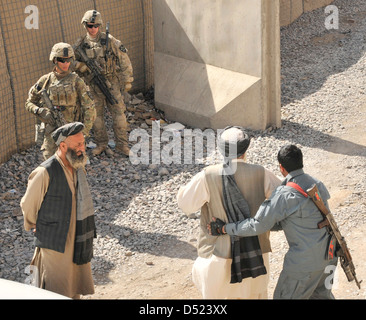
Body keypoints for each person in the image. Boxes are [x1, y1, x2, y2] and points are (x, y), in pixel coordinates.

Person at [208, 144, 338, 299]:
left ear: (281, 168)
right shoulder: (316, 184)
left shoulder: (284, 194)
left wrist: (224, 228)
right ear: (300, 162)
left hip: (303, 265)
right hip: (329, 256)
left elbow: (257, 225)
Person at [177, 126, 281, 299]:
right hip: (256, 257)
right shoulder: (262, 173)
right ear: (245, 149)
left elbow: (186, 205)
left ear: (220, 149)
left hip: (218, 255)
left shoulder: (207, 175)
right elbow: (284, 200)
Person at [20, 122, 96, 299]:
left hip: (77, 233)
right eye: (78, 145)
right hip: (55, 240)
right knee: (57, 285)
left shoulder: (76, 166)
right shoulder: (44, 172)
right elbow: (28, 204)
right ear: (63, 146)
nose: (82, 148)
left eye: (83, 143)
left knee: (74, 282)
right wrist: (34, 224)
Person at [73, 10, 134, 157]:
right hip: (92, 85)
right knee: (96, 117)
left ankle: (122, 145)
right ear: (85, 25)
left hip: (111, 83)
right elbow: (68, 61)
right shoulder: (80, 44)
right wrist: (79, 66)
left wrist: (128, 80)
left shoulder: (110, 41)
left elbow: (124, 59)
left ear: (99, 26)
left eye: (95, 26)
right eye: (89, 25)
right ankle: (101, 144)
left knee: (119, 114)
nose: (92, 29)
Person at [25, 42, 96, 160]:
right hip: (51, 134)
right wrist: (39, 111)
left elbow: (89, 109)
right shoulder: (45, 81)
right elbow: (29, 103)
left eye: (68, 60)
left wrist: (83, 133)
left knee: (75, 166)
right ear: (54, 60)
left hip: (71, 132)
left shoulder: (77, 81)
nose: (66, 64)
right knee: (50, 167)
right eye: (62, 60)